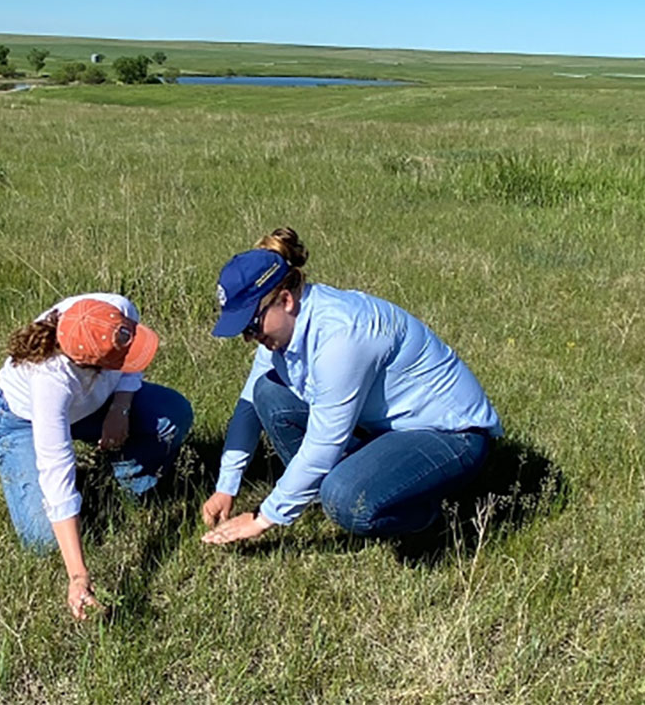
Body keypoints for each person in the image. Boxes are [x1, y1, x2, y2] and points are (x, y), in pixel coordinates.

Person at [200, 228, 502, 545]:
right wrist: (226, 486)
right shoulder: (282, 329)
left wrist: (263, 518)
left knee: (346, 500)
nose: (250, 337)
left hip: (452, 436)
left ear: (286, 300)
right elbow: (250, 404)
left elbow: (325, 441)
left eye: (251, 325)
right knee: (268, 393)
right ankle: (326, 493)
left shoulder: (341, 338)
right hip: (386, 428)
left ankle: (431, 520)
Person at [0, 293, 193, 618]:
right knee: (43, 540)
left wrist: (120, 407)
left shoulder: (116, 310)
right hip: (24, 422)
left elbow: (131, 363)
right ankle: (75, 502)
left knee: (172, 416)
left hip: (99, 404)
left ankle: (127, 489)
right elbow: (55, 470)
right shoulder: (50, 381)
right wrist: (78, 576)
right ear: (92, 367)